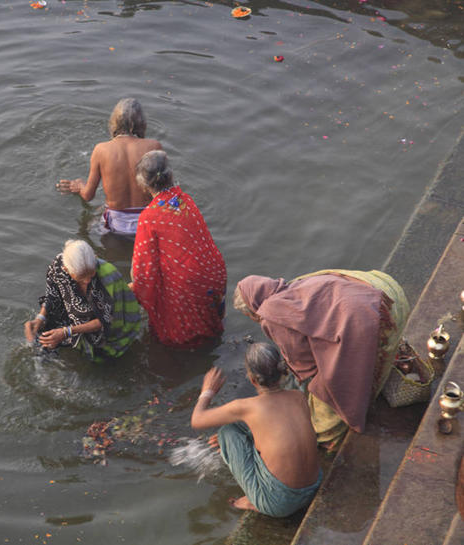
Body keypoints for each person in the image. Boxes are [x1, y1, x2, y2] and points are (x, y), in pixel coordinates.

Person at [233, 269, 409, 449]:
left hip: (370, 317)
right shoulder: (295, 284)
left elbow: (305, 364)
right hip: (385, 292)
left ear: (253, 307)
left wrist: (310, 384)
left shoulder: (270, 316)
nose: (254, 318)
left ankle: (333, 434)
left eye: (249, 315)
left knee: (332, 386)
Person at [191, 343, 322, 517]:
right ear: (281, 371)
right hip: (314, 486)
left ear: (252, 379)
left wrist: (207, 391)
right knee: (244, 426)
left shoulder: (246, 407)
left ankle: (254, 499)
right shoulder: (298, 397)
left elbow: (197, 419)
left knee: (227, 432)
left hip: (280, 504)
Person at [129, 150, 227, 347]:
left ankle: (186, 358)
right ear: (170, 175)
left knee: (180, 338)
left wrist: (136, 290)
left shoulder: (149, 217)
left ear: (144, 185)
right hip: (214, 274)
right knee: (209, 327)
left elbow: (144, 269)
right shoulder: (186, 200)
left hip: (188, 283)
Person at [57, 98, 162, 236]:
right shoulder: (154, 147)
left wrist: (79, 186)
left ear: (114, 123)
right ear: (142, 123)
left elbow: (88, 195)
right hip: (146, 225)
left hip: (115, 225)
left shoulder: (101, 150)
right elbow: (163, 194)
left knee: (92, 224)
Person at [24, 239, 141, 361]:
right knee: (40, 344)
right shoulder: (59, 267)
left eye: (91, 275)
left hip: (104, 327)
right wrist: (40, 318)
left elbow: (104, 320)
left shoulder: (108, 277)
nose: (87, 281)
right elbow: (52, 295)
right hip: (75, 316)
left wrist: (66, 332)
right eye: (81, 277)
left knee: (102, 357)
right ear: (66, 269)